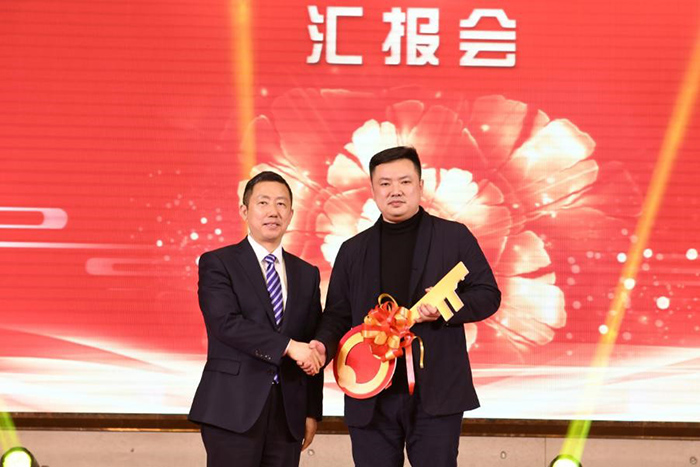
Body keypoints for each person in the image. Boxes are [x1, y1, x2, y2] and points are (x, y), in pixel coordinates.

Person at [307, 146, 501, 467]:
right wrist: (321, 345)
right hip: (369, 394)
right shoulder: (353, 250)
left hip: (436, 393)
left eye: (405, 182)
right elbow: (338, 315)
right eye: (384, 183)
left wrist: (444, 308)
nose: (395, 190)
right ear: (373, 190)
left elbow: (488, 295)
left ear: (420, 186)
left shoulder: (453, 237)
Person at [189, 171, 323, 467]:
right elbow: (225, 323)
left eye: (281, 204)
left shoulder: (307, 273)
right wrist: (288, 346)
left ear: (291, 214)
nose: (273, 211)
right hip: (232, 407)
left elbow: (311, 344)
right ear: (244, 211)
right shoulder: (218, 263)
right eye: (263, 203)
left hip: (288, 413)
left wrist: (312, 410)